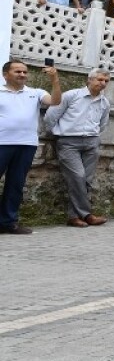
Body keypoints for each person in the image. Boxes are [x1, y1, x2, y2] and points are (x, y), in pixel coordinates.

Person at [44, 69, 111, 227]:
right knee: (78, 177)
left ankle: (74, 217)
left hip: (91, 141)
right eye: (99, 80)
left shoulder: (104, 102)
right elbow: (51, 116)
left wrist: (92, 135)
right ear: (89, 80)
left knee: (86, 180)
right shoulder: (71, 95)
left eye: (106, 81)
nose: (102, 83)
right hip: (69, 142)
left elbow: (102, 124)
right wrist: (57, 133)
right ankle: (87, 214)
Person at [0, 60, 61, 234]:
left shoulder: (35, 93)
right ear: (6, 74)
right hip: (2, 143)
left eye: (25, 72)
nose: (22, 75)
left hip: (26, 144)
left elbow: (55, 101)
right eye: (18, 71)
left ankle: (8, 222)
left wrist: (54, 79)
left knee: (16, 184)